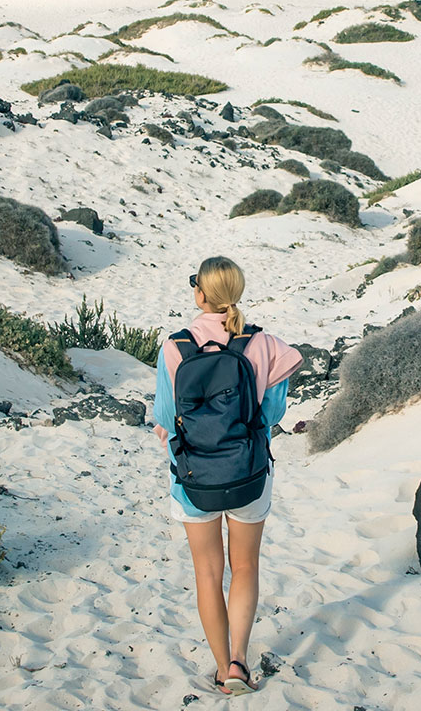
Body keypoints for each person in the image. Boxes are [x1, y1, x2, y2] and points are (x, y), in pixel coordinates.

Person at [152, 257, 302, 696]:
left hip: (193, 473)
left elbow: (164, 415)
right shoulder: (265, 343)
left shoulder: (175, 347)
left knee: (207, 571)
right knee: (246, 566)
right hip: (249, 470)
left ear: (199, 294)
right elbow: (272, 413)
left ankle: (220, 667)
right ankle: (240, 661)